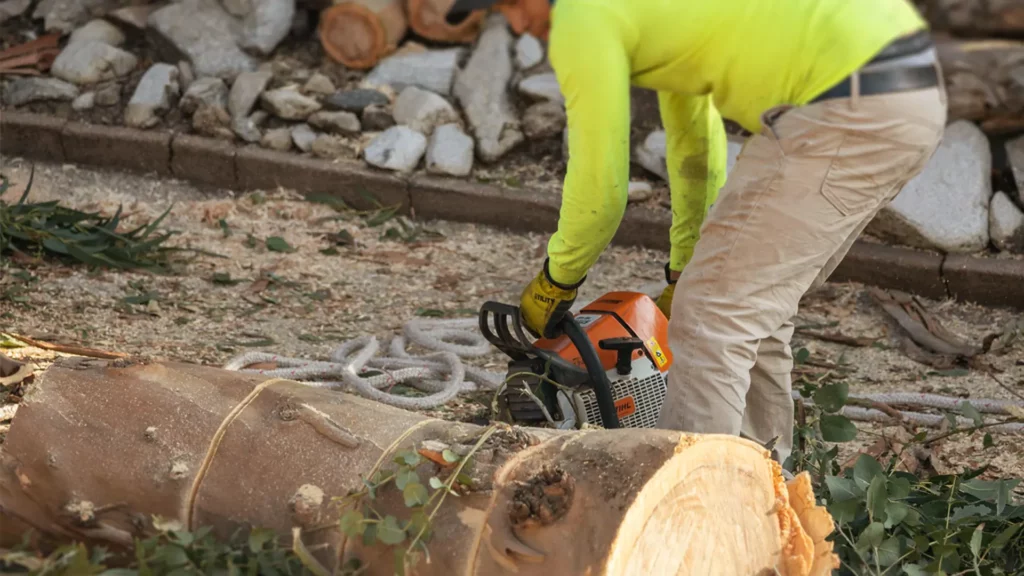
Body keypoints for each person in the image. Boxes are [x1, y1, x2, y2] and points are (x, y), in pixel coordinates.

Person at [448, 0, 947, 465]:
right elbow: (693, 145)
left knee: (713, 317)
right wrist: (683, 269)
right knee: (753, 309)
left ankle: (688, 509)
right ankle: (762, 489)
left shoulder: (581, 15)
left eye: (515, 2)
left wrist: (556, 280)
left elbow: (601, 189)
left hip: (843, 99)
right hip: (902, 89)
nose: (518, 24)